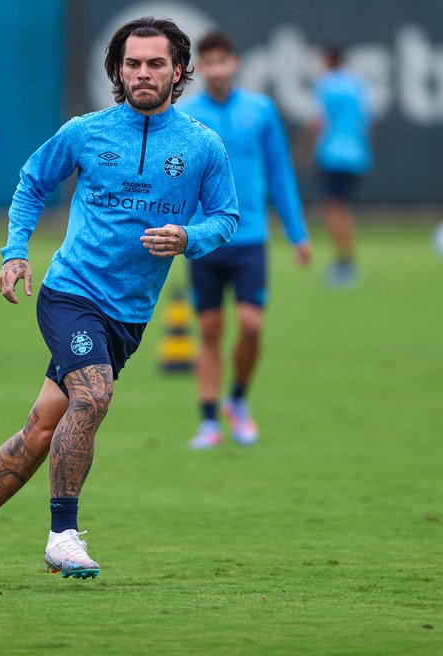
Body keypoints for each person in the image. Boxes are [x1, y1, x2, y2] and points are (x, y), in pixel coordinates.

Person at [0, 16, 239, 584]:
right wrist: (15, 251)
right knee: (93, 396)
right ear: (117, 70)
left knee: (42, 431)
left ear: (177, 71)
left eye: (155, 63)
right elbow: (34, 182)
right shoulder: (86, 132)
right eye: (132, 64)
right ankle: (63, 535)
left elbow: (226, 217)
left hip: (129, 315)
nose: (142, 73)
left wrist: (190, 237)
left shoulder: (202, 146)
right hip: (70, 293)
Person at [178, 31, 310, 449]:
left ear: (234, 64)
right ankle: (208, 419)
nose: (217, 69)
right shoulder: (186, 115)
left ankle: (237, 399)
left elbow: (280, 172)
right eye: (209, 62)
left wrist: (297, 232)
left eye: (223, 60)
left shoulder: (261, 111)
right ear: (201, 68)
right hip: (203, 238)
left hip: (250, 235)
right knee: (211, 329)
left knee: (252, 326)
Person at [301, 45, 372, 287]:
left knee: (334, 210)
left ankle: (345, 265)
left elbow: (318, 121)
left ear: (328, 61)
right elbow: (365, 122)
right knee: (342, 208)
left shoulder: (327, 85)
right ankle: (345, 262)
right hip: (356, 154)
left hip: (333, 153)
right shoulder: (356, 85)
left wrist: (305, 150)